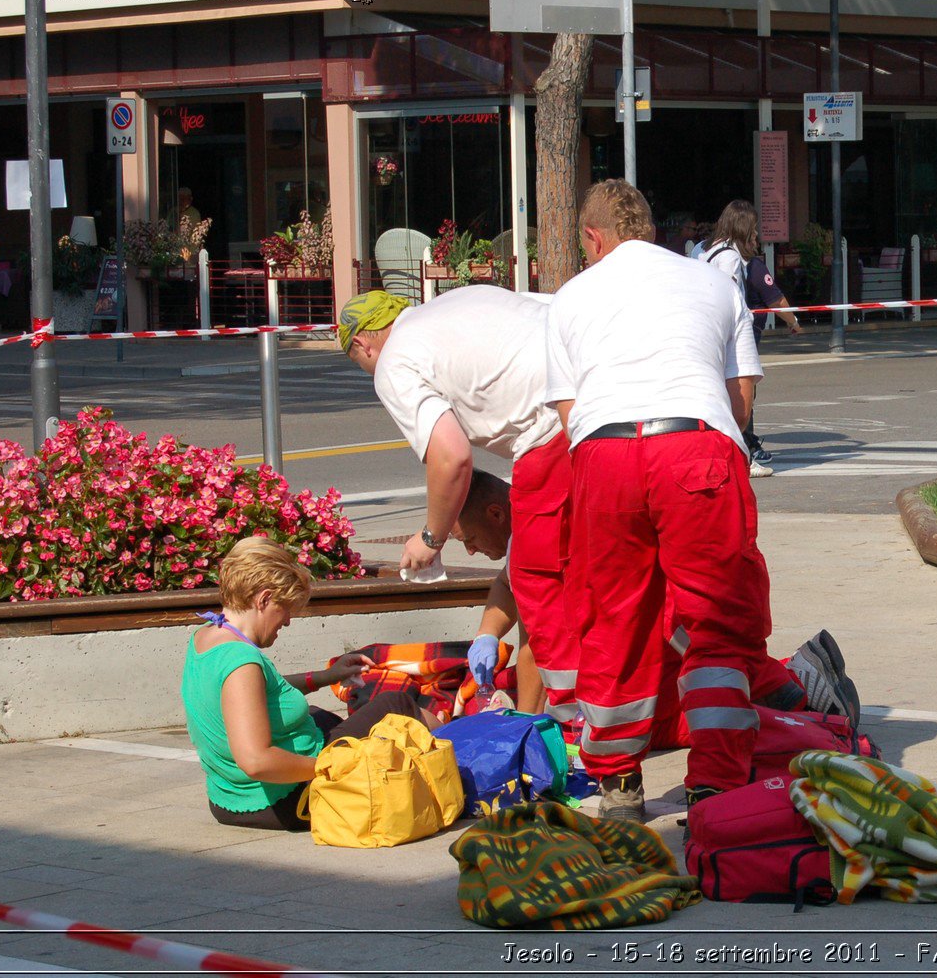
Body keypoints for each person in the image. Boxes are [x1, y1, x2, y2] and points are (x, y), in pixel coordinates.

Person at [544, 179, 788, 821]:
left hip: (606, 451)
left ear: (592, 238)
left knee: (612, 616)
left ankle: (619, 784)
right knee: (716, 619)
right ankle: (714, 782)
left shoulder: (570, 297)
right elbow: (741, 396)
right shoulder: (713, 282)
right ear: (649, 230)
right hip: (697, 445)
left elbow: (572, 414)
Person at [452, 467, 859, 750]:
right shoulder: (532, 521)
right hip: (658, 630)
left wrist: (527, 733)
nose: (471, 549)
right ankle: (787, 680)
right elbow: (507, 585)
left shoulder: (535, 533)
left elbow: (536, 644)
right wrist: (488, 634)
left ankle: (798, 698)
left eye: (469, 538)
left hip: (644, 641)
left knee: (663, 724)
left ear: (495, 513)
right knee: (704, 680)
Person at [338, 285, 569, 722]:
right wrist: (486, 636)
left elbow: (451, 456)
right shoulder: (457, 305)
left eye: (360, 363)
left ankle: (531, 731)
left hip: (552, 433)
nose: (369, 372)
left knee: (541, 604)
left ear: (364, 344)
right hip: (608, 412)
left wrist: (431, 537)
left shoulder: (393, 361)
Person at [181, 537, 437, 831]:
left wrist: (325, 677)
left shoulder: (207, 635)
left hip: (229, 800)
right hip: (285, 800)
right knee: (398, 703)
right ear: (263, 599)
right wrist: (330, 768)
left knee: (319, 716)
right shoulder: (242, 661)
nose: (288, 621)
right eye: (286, 608)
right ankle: (456, 765)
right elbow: (255, 761)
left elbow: (253, 692)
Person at [699, 199, 801, 477]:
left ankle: (729, 450)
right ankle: (743, 453)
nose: (756, 235)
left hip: (709, 332)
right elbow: (732, 296)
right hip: (732, 334)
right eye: (753, 229)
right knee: (742, 396)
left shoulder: (704, 251)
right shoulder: (734, 258)